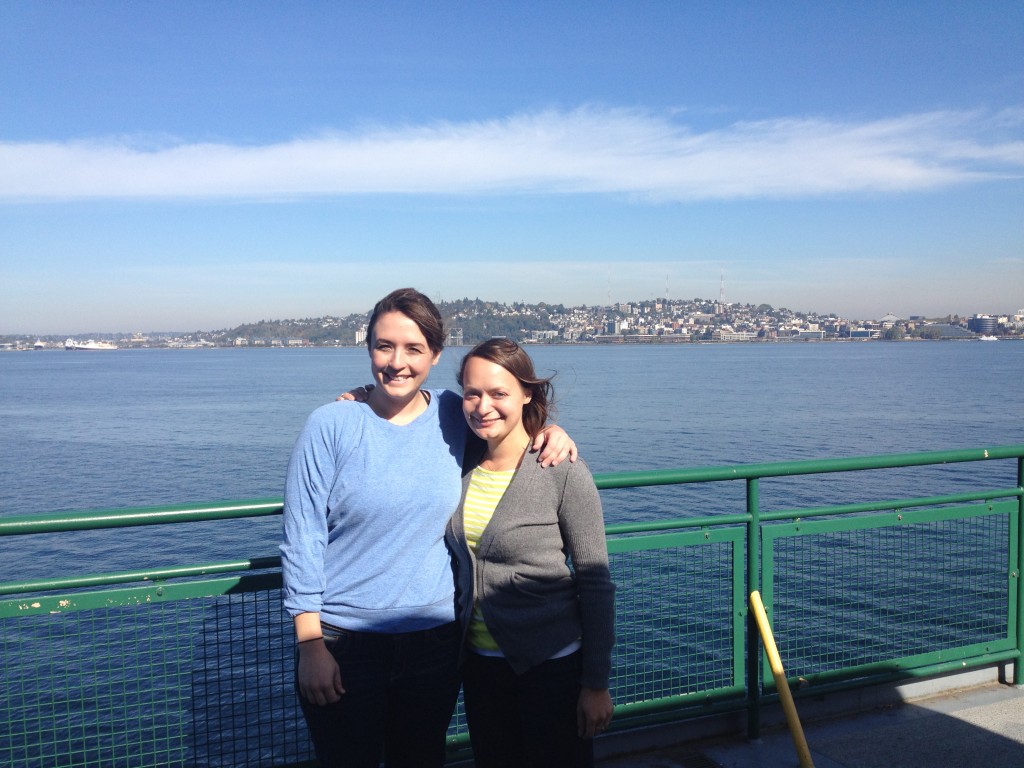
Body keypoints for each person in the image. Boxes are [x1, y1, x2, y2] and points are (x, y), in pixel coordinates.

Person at [279, 288, 575, 768]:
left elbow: (504, 428)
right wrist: (310, 643)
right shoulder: (330, 425)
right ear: (367, 348)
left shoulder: (453, 414)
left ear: (435, 354)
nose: (397, 362)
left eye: (413, 348)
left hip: (435, 643)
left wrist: (549, 432)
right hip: (344, 641)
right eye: (384, 346)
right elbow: (302, 538)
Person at [446, 338, 615, 768]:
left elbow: (595, 581)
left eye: (499, 393)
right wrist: (364, 396)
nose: (483, 406)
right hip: (480, 668)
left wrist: (596, 683)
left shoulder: (560, 469)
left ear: (526, 394)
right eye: (472, 393)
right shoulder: (460, 464)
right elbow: (411, 406)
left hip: (551, 667)